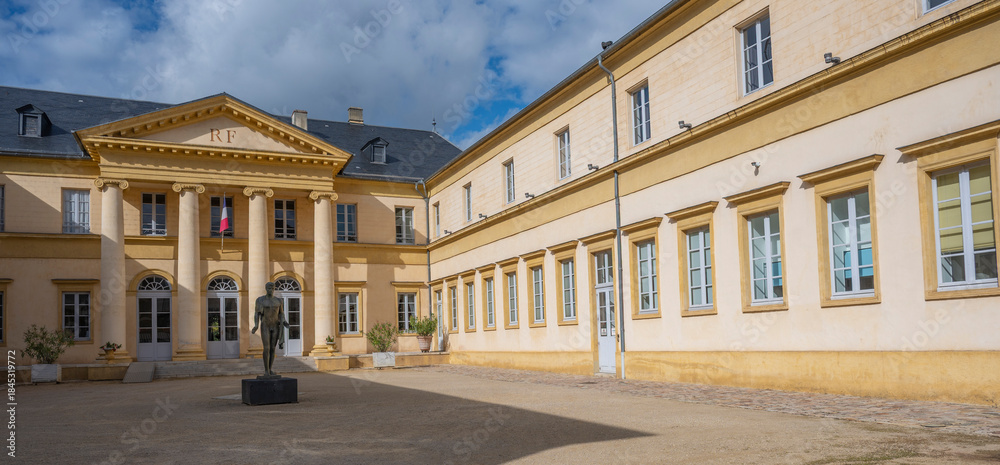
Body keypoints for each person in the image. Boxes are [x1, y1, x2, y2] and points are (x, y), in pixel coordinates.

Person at [251, 281, 289, 377]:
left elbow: (281, 313)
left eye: (272, 289)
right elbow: (257, 313)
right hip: (265, 325)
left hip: (275, 325)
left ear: (274, 289)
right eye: (269, 288)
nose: (270, 290)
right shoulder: (260, 300)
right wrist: (256, 325)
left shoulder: (278, 301)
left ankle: (270, 369)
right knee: (266, 348)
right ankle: (266, 370)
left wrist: (284, 321)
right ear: (266, 289)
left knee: (272, 348)